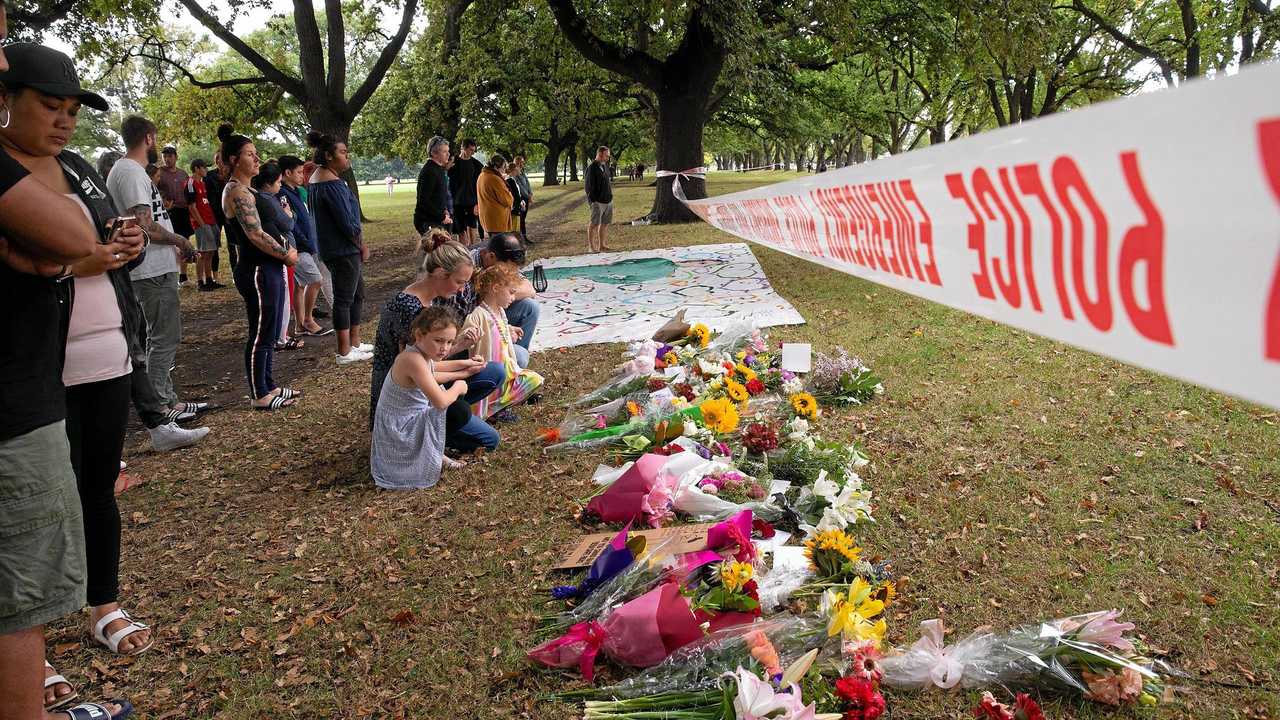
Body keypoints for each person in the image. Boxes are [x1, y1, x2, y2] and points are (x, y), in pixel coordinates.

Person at [0, 37, 140, 720]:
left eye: (71, 108)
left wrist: (121, 245)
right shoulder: (7, 171)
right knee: (29, 530)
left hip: (102, 348)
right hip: (33, 373)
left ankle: (101, 604)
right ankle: (34, 661)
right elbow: (72, 245)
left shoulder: (78, 166)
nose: (63, 120)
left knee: (94, 489)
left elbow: (98, 239)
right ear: (5, 101)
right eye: (48, 106)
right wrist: (72, 258)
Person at [107, 114, 206, 422]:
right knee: (164, 337)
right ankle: (160, 404)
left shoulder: (129, 171)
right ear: (149, 138)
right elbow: (145, 225)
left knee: (161, 336)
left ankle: (168, 398)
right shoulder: (131, 172)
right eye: (156, 138)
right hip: (150, 271)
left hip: (155, 268)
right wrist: (180, 241)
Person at [369, 231, 503, 457]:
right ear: (441, 273)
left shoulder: (429, 298)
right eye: (459, 282)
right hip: (409, 401)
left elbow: (429, 363)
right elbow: (418, 371)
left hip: (425, 384)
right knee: (488, 438)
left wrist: (465, 362)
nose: (462, 290)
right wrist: (460, 374)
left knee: (493, 371)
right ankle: (433, 434)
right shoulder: (409, 308)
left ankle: (449, 422)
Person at [219, 126, 302, 411]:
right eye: (250, 155)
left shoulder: (248, 189)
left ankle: (268, 384)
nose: (257, 160)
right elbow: (254, 234)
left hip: (268, 267)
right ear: (233, 160)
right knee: (261, 331)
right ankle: (259, 394)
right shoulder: (237, 192)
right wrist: (286, 255)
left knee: (269, 329)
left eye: (256, 154)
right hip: (256, 270)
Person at [371, 306, 486, 489]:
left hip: (408, 420)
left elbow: (434, 371)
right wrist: (458, 386)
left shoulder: (421, 354)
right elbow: (440, 401)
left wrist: (467, 366)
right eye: (439, 341)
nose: (445, 348)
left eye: (449, 342)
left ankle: (437, 452)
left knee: (465, 411)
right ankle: (434, 453)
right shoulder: (412, 359)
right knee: (459, 409)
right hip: (400, 431)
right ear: (419, 335)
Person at [307, 130, 369, 365]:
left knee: (357, 293)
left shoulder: (324, 178)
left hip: (340, 248)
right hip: (342, 250)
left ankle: (355, 341)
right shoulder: (329, 183)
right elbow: (347, 222)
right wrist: (361, 244)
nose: (347, 156)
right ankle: (344, 350)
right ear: (329, 156)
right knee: (344, 298)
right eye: (342, 152)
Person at [435, 232, 539, 367]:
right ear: (491, 256)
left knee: (530, 307)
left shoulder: (502, 265)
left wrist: (503, 294)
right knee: (520, 357)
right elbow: (464, 326)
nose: (510, 274)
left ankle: (509, 358)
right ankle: (505, 364)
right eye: (508, 269)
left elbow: (529, 290)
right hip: (465, 335)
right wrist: (500, 328)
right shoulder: (465, 269)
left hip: (486, 320)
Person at [461, 264, 544, 421]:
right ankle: (494, 409)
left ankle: (501, 405)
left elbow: (499, 332)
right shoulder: (479, 314)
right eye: (511, 293)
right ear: (496, 288)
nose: (513, 298)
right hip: (491, 372)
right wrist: (467, 335)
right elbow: (467, 335)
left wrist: (509, 331)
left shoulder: (500, 312)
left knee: (534, 379)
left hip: (508, 370)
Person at [278, 154, 329, 338]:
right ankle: (308, 319)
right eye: (299, 172)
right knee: (315, 280)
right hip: (297, 246)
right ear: (287, 172)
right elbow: (291, 223)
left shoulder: (294, 191)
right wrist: (305, 241)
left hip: (305, 243)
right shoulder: (283, 193)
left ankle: (299, 325)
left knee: (300, 286)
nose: (302, 176)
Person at [156, 146, 193, 285]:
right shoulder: (159, 172)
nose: (167, 159)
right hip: (168, 212)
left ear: (176, 157)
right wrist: (164, 201)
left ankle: (183, 276)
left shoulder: (183, 173)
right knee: (170, 242)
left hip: (183, 211)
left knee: (184, 241)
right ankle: (170, 275)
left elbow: (190, 192)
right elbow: (153, 188)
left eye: (170, 156)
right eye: (164, 156)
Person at [185, 159, 223, 290]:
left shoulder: (202, 183)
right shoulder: (191, 183)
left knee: (211, 251)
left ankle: (209, 279)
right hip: (202, 223)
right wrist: (202, 224)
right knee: (203, 253)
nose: (206, 170)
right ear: (196, 168)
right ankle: (200, 282)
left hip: (211, 221)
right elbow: (192, 207)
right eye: (204, 168)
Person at [412, 136, 452, 235]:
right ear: (434, 153)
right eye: (444, 152)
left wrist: (445, 210)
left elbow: (438, 195)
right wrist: (442, 217)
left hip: (437, 219)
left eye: (448, 151)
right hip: (428, 221)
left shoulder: (439, 169)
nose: (448, 154)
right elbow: (424, 201)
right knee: (437, 250)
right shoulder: (429, 171)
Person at [447, 138, 483, 246]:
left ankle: (473, 248)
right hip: (456, 202)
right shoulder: (453, 163)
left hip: (471, 202)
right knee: (460, 229)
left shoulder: (476, 165)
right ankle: (463, 251)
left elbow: (480, 185)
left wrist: (477, 203)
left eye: (474, 150)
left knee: (472, 227)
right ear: (463, 148)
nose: (472, 152)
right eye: (471, 150)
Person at [203, 151, 233, 272]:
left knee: (232, 244)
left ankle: (234, 272)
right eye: (218, 160)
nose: (220, 162)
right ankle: (214, 274)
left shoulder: (231, 175)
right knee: (214, 245)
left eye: (222, 159)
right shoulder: (209, 176)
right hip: (214, 214)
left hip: (229, 213)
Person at [585, 145, 614, 253]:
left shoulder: (605, 166)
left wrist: (610, 197)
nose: (607, 158)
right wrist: (592, 201)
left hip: (608, 200)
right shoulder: (591, 168)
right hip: (597, 202)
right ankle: (591, 247)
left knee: (605, 223)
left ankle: (602, 245)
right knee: (594, 224)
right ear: (600, 154)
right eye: (606, 156)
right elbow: (588, 187)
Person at [476, 153, 514, 235]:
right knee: (499, 246)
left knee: (494, 244)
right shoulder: (494, 178)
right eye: (503, 168)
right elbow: (507, 200)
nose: (504, 171)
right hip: (497, 220)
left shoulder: (482, 175)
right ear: (496, 167)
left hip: (488, 218)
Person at [507, 155, 532, 245]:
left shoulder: (522, 171)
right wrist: (526, 196)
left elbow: (527, 183)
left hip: (524, 197)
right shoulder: (513, 175)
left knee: (522, 218)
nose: (521, 164)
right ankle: (519, 239)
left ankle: (523, 237)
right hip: (520, 198)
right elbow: (519, 188)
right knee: (519, 219)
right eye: (520, 162)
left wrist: (530, 193)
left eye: (522, 162)